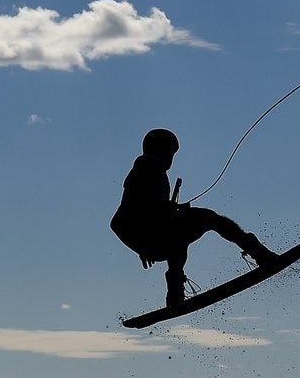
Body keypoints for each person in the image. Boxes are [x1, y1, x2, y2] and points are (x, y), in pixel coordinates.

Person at [111, 128, 277, 308]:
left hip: (150, 236)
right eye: (170, 152)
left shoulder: (148, 169)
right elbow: (136, 210)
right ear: (161, 150)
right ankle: (258, 252)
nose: (171, 159)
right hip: (147, 235)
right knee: (209, 218)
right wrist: (142, 240)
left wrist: (143, 242)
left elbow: (146, 208)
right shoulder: (148, 166)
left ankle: (174, 290)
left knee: (179, 236)